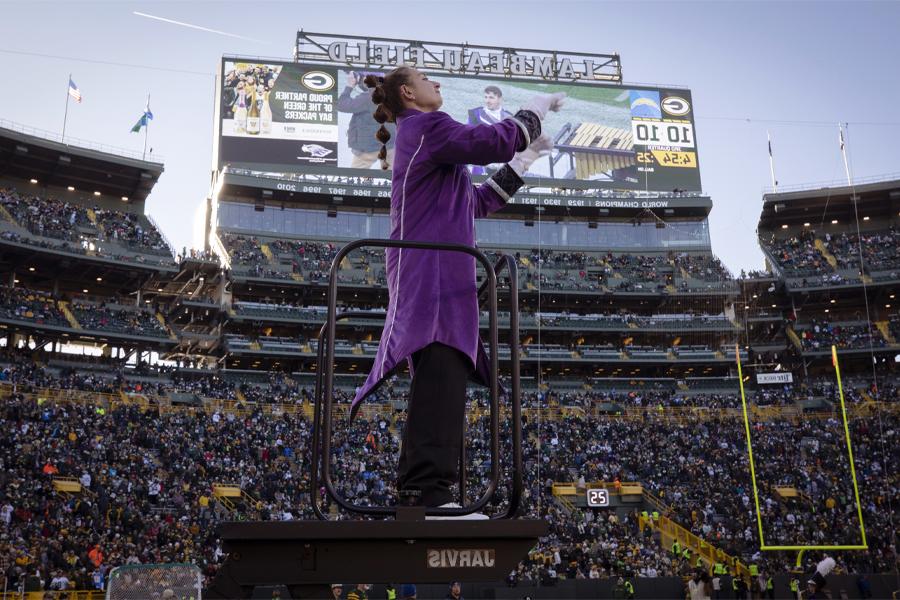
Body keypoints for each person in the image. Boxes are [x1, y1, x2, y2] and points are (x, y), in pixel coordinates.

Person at [351, 66, 562, 514]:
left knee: (444, 381)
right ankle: (426, 492)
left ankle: (429, 490)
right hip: (431, 275)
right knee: (440, 377)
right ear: (409, 93)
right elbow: (492, 141)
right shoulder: (426, 126)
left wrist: (524, 161)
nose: (439, 84)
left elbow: (478, 201)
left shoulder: (429, 139)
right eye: (429, 80)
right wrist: (535, 111)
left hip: (440, 277)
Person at [337, 71, 397, 169]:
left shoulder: (367, 97)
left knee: (356, 178)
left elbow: (342, 105)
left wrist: (349, 86)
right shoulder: (392, 95)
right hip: (390, 145)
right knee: (393, 177)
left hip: (369, 148)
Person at [467, 85, 515, 175]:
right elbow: (468, 138)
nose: (487, 101)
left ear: (500, 99)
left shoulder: (509, 117)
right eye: (486, 97)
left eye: (491, 98)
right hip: (479, 163)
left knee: (507, 186)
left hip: (502, 164)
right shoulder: (475, 114)